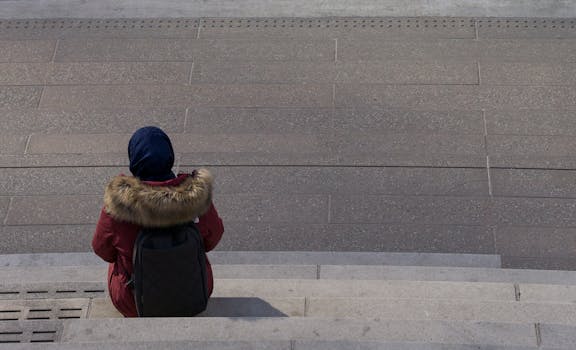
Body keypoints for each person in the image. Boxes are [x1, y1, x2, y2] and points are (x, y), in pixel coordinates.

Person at [92, 126, 224, 317]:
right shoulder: (195, 196)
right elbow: (213, 237)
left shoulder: (119, 203)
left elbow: (101, 249)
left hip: (134, 302)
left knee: (118, 260)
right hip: (193, 293)